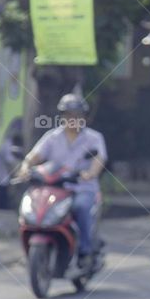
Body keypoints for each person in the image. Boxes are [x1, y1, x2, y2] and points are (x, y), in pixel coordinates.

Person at [21, 94, 106, 261]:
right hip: (55, 189)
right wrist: (25, 167)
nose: (72, 119)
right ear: (62, 117)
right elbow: (35, 156)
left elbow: (99, 160)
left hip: (83, 188)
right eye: (68, 115)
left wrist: (90, 174)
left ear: (84, 118)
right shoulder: (53, 137)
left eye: (76, 115)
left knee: (80, 207)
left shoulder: (94, 138)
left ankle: (85, 250)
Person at [0, 121, 23, 210]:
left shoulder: (13, 145)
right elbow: (9, 162)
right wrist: (18, 174)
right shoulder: (7, 145)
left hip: (3, 178)